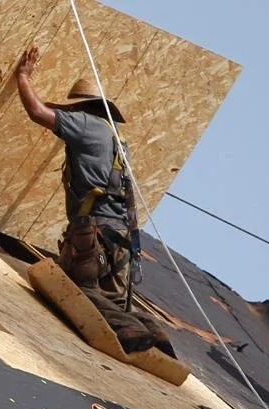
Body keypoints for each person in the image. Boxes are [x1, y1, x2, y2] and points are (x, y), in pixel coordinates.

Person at [15, 46, 173, 357]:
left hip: (94, 233)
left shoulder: (84, 126)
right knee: (114, 300)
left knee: (78, 290)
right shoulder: (115, 139)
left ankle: (130, 331)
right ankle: (154, 332)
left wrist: (23, 77)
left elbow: (37, 112)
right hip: (121, 238)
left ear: (83, 109)